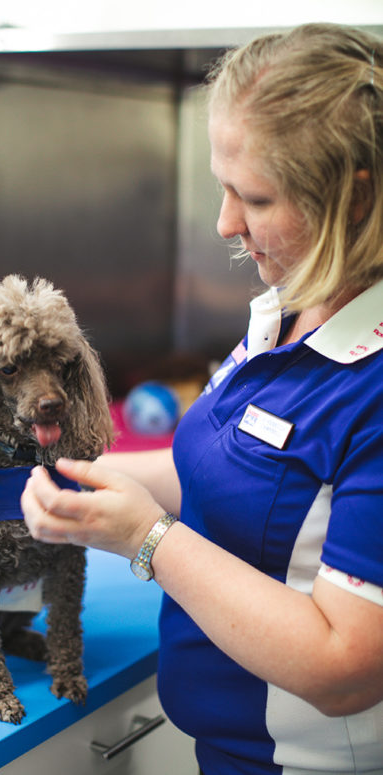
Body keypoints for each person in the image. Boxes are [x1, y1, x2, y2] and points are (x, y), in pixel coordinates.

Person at [20, 22, 383, 775]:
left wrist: (147, 539)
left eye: (255, 196)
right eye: (223, 186)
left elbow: (345, 666)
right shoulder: (288, 308)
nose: (225, 223)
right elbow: (232, 474)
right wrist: (76, 476)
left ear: (354, 196)